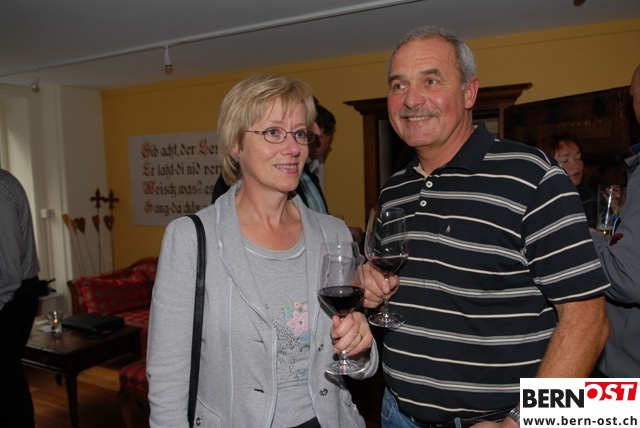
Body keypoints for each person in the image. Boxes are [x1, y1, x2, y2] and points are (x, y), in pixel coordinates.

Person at [360, 26, 610, 427]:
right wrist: (370, 286)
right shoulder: (394, 189)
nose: (410, 99)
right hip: (397, 414)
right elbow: (400, 286)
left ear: (469, 93)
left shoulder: (533, 176)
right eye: (398, 84)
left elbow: (588, 321)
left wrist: (522, 421)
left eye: (431, 80)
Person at [147, 73, 377, 428]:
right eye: (273, 132)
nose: (293, 148)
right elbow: (167, 376)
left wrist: (360, 347)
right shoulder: (190, 239)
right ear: (235, 144)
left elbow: (355, 359)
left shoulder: (332, 233)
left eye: (299, 133)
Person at [591, 63, 640, 378]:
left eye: (633, 96)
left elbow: (627, 277)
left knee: (539, 403)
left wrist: (587, 238)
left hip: (629, 383)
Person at [0, 168, 41, 428]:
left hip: (12, 297)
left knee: (7, 380)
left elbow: (9, 272)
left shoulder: (1, 189)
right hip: (14, 293)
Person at [537, 132, 597, 228]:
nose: (576, 165)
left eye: (578, 158)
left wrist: (615, 211)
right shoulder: (536, 203)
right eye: (565, 160)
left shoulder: (591, 200)